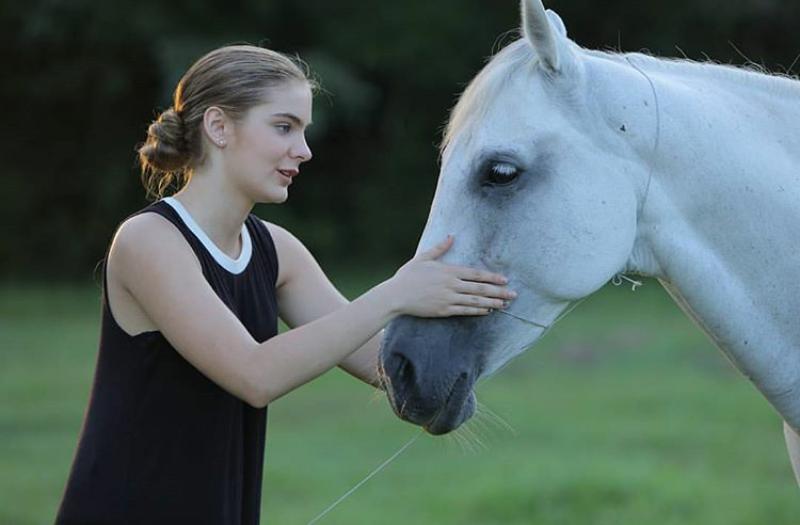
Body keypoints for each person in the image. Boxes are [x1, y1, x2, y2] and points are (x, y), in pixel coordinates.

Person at [54, 45, 516, 524]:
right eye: (284, 126)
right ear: (219, 127)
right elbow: (255, 376)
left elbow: (380, 363)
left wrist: (474, 322)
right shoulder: (149, 241)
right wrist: (396, 292)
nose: (304, 149)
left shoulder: (277, 251)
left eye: (304, 130)